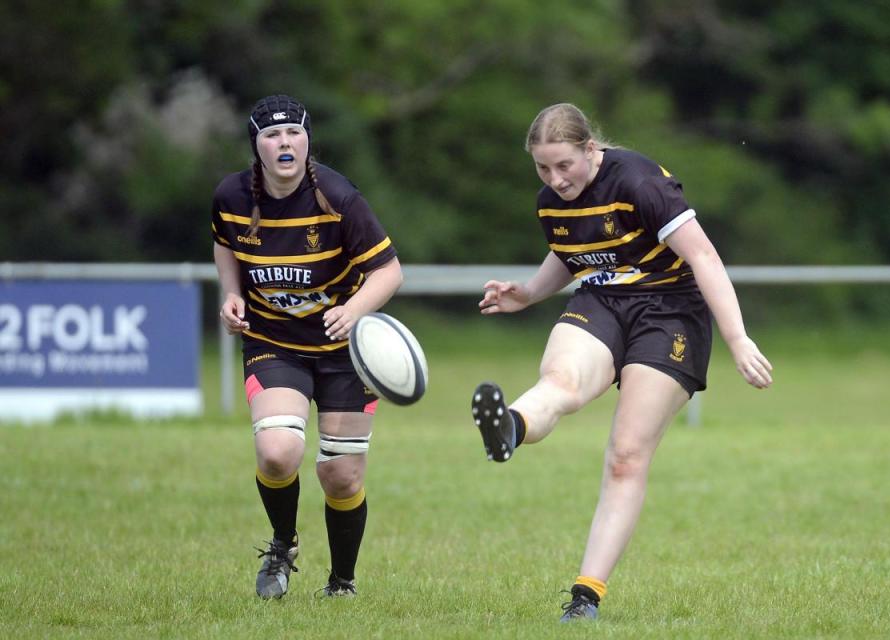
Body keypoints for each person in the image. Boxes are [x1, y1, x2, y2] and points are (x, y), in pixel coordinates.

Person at [471, 103, 773, 622]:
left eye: (564, 164)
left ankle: (585, 595)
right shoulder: (550, 201)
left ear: (591, 149)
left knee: (626, 455)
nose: (555, 179)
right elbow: (572, 254)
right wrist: (527, 294)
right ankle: (509, 428)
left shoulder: (638, 181)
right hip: (602, 301)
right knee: (561, 381)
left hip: (672, 311)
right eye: (543, 168)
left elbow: (703, 256)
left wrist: (738, 338)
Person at [212, 94, 402, 600]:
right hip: (275, 342)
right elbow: (225, 244)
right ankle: (282, 545)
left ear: (307, 139)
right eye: (272, 135)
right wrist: (232, 294)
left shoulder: (339, 197)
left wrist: (355, 309)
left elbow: (389, 270)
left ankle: (342, 582)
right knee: (277, 453)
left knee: (340, 475)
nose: (284, 143)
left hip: (344, 350)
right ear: (257, 146)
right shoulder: (232, 196)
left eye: (294, 133)